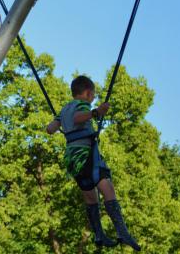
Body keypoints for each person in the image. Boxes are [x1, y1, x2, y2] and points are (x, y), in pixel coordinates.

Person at [46, 75, 140, 250]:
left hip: (72, 159)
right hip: (86, 155)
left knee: (90, 196)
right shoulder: (82, 105)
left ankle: (99, 234)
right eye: (93, 95)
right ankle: (122, 231)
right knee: (107, 188)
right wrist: (96, 112)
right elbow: (78, 118)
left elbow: (50, 129)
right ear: (88, 93)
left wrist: (61, 123)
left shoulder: (64, 109)